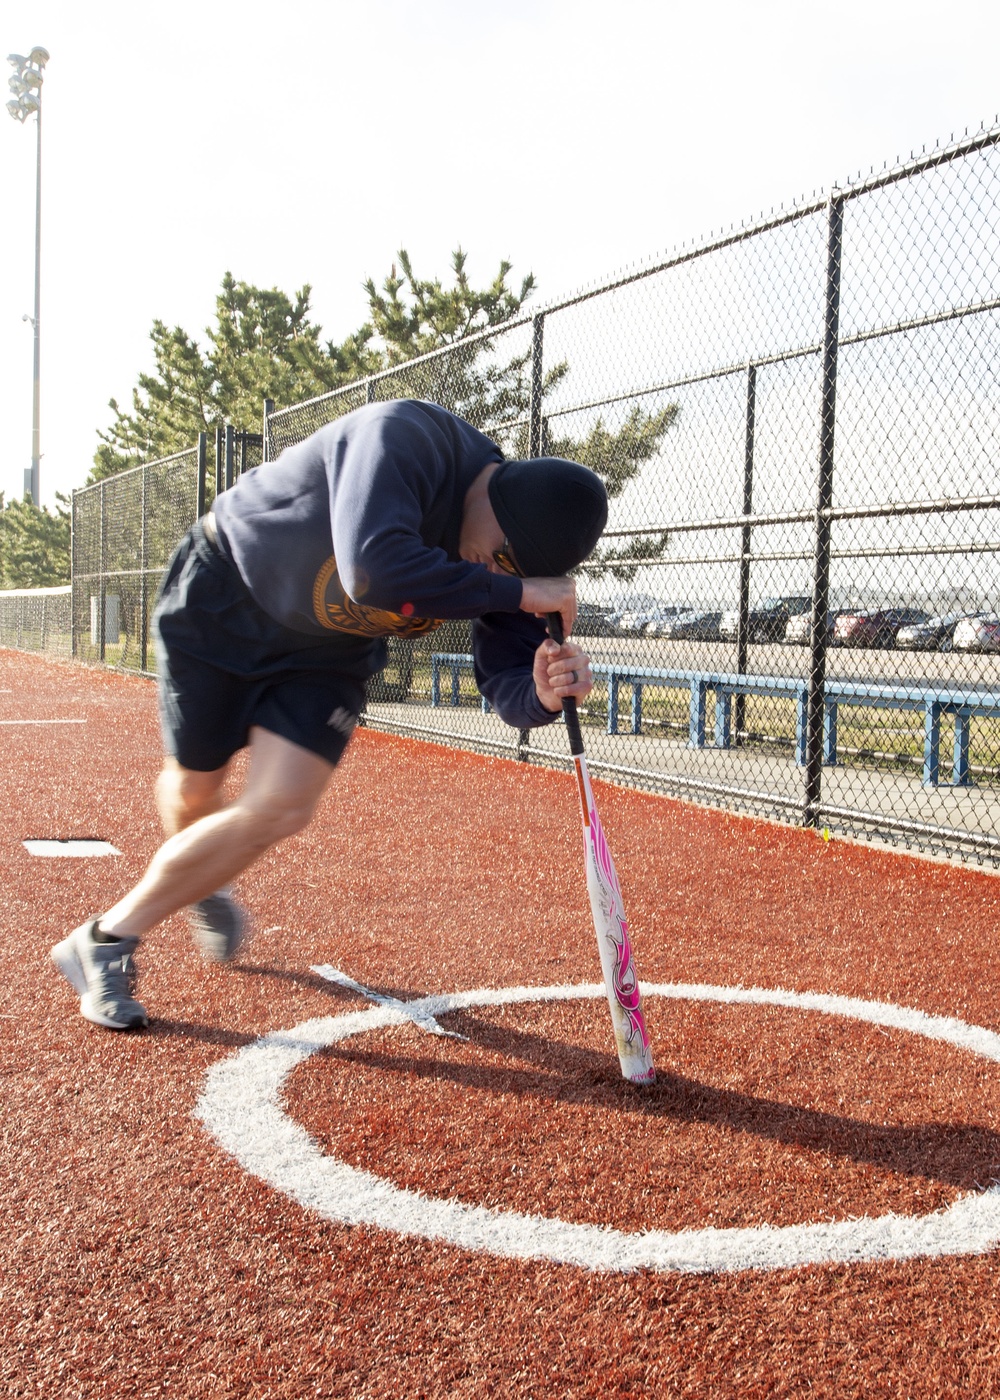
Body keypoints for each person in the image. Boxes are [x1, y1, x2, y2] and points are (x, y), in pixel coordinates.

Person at [51, 398, 608, 1031]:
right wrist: (519, 590)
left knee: (283, 806)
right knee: (195, 789)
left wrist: (540, 690)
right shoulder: (404, 437)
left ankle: (103, 941)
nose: (499, 573)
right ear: (494, 503)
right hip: (226, 593)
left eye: (519, 572)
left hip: (331, 653)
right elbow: (371, 571)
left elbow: (506, 685)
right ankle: (199, 878)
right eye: (504, 559)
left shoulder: (511, 557)